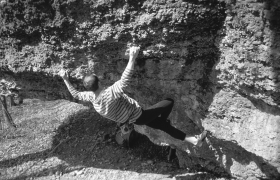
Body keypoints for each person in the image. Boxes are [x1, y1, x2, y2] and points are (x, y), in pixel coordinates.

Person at [59, 46, 207, 149]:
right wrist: (132, 57)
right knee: (169, 102)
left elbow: (76, 94)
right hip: (139, 116)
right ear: (99, 82)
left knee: (163, 126)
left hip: (133, 120)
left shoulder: (91, 97)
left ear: (88, 88)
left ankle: (194, 141)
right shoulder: (110, 93)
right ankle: (167, 123)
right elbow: (125, 79)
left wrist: (66, 79)